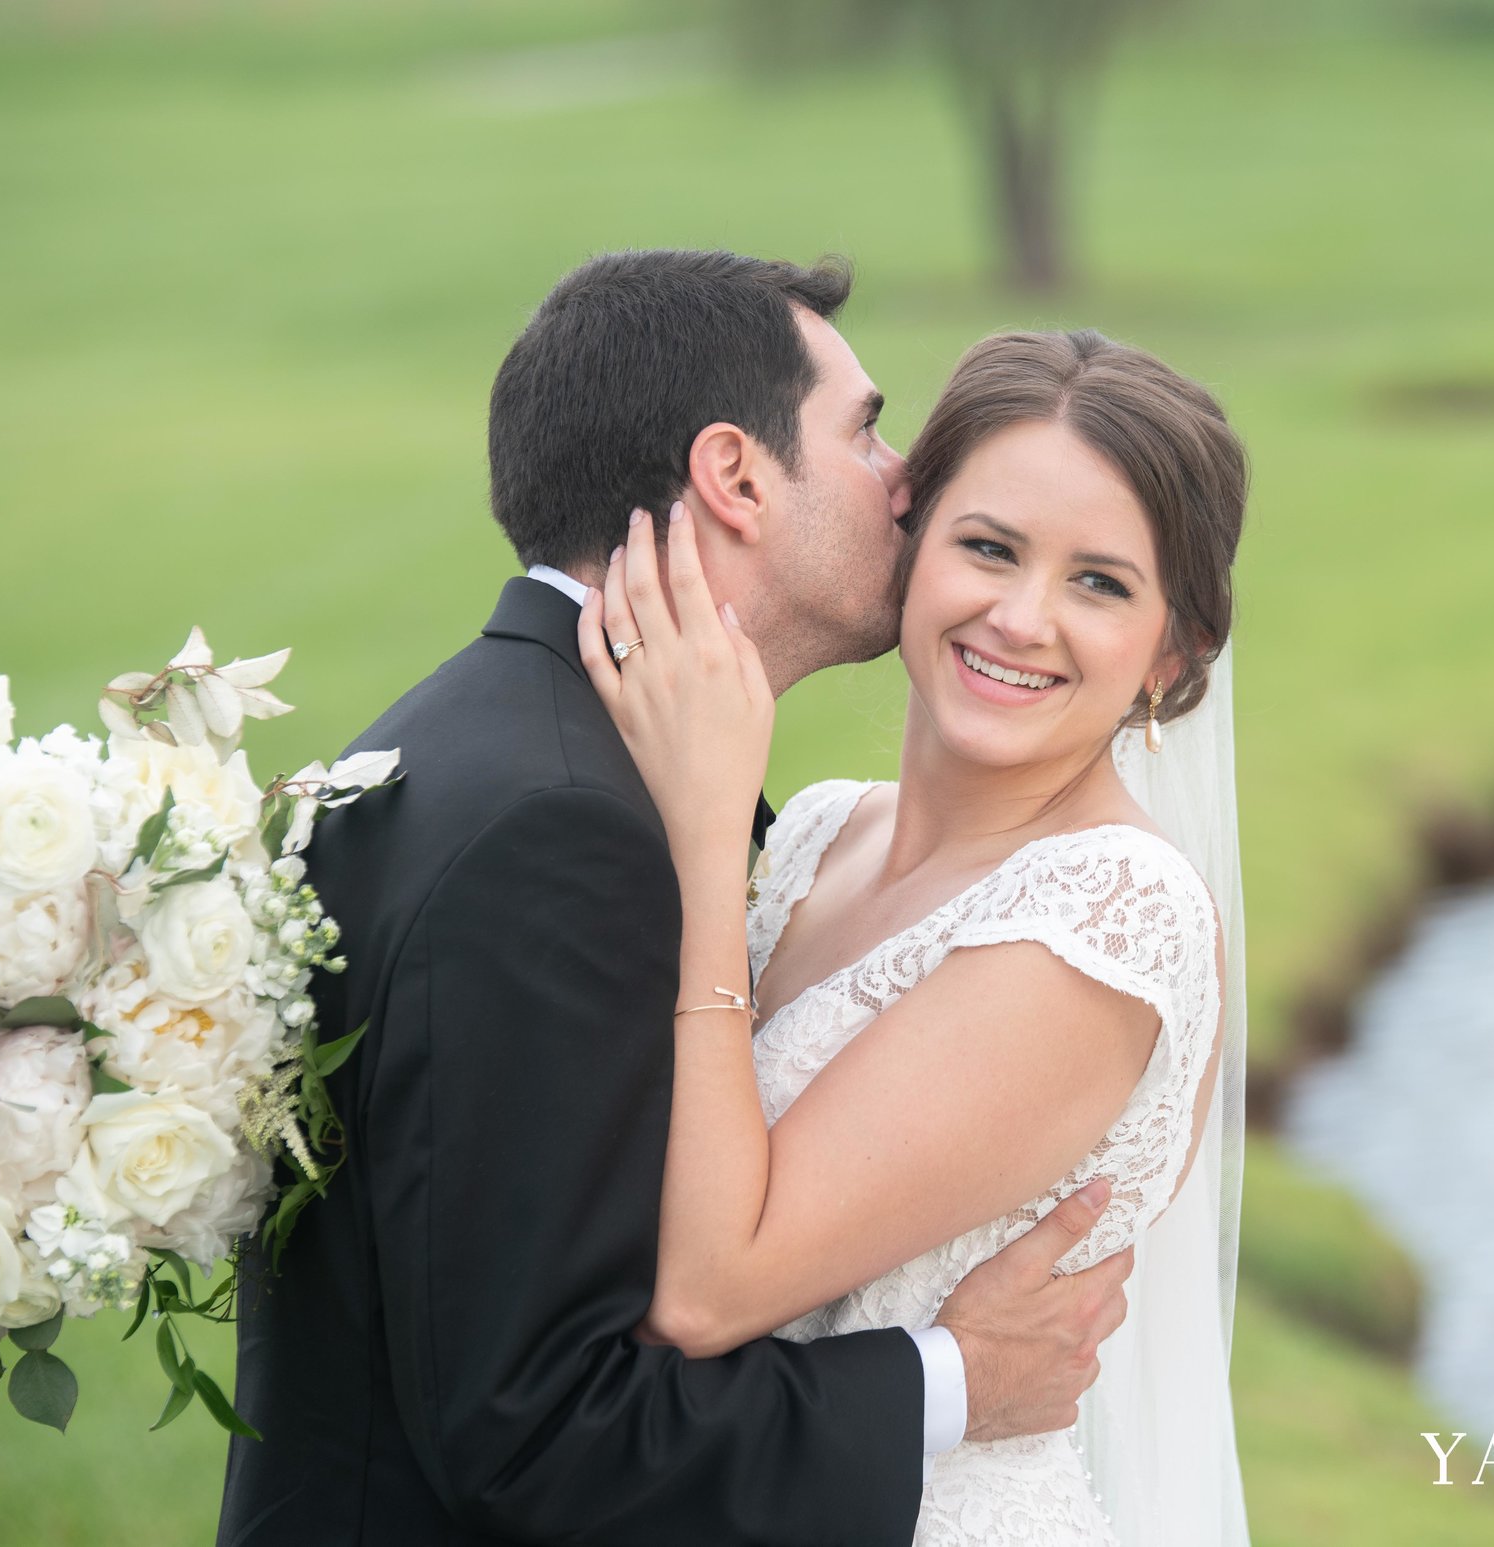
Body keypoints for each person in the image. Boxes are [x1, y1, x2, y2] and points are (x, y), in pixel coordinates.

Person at [217, 251, 1138, 1547]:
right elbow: (538, 1428)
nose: (905, 481)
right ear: (736, 475)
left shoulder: (472, 741)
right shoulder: (564, 828)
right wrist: (952, 1379)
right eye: (865, 427)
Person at [582, 327, 1252, 1545]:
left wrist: (703, 823)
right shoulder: (822, 836)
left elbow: (710, 1288)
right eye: (987, 547)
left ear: (1171, 654)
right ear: (911, 545)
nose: (1020, 616)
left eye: (1099, 582)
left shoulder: (1107, 915)